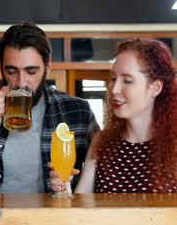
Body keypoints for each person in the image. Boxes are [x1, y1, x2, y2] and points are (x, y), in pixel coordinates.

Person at [0, 22, 99, 193]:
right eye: (12, 72)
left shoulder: (77, 112)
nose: (21, 82)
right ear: (1, 69)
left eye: (31, 71)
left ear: (48, 68)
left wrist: (69, 185)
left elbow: (103, 179)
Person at [51, 39, 177, 193]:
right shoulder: (101, 142)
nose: (114, 88)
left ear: (155, 87)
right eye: (113, 79)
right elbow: (82, 207)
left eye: (127, 81)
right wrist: (64, 189)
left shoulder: (174, 145)